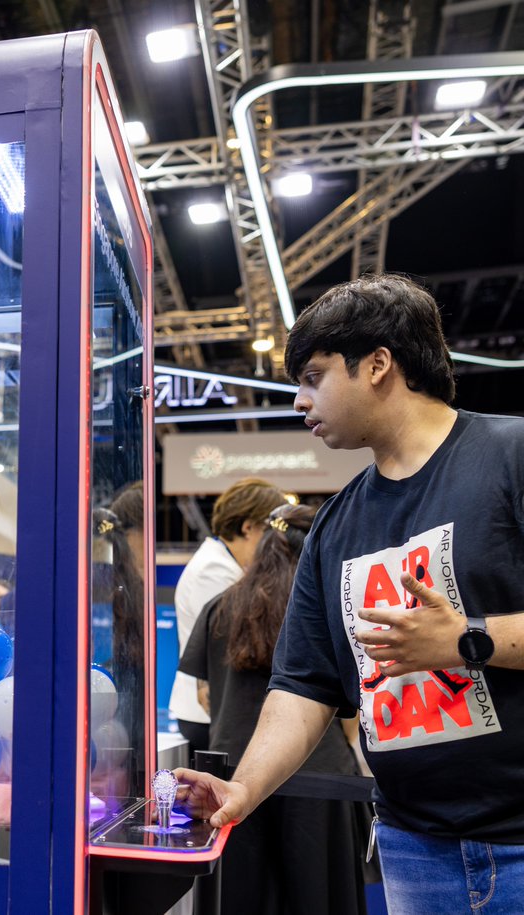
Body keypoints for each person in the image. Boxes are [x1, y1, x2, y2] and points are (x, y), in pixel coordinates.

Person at [176, 275, 524, 914]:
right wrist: (243, 790)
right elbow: (302, 687)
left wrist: (465, 640)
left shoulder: (510, 454)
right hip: (411, 841)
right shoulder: (334, 524)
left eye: (313, 376)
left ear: (378, 365)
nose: (300, 400)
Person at [180, 502, 367, 915]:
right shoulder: (325, 610)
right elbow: (350, 706)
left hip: (233, 775)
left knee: (242, 894)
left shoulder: (219, 608)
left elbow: (204, 696)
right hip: (320, 775)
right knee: (318, 895)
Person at [169, 477, 289, 753]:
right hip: (209, 711)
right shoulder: (214, 571)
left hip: (216, 708)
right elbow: (225, 645)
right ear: (248, 528)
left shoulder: (221, 564)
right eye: (271, 533)